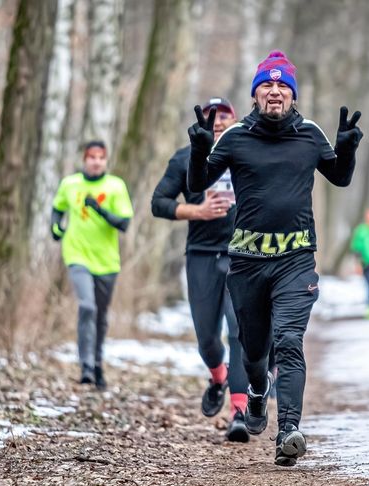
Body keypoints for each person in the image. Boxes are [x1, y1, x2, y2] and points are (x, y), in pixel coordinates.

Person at [187, 50, 363, 466]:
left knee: (288, 341)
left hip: (296, 260)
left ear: (293, 95)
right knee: (253, 352)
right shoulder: (234, 138)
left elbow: (339, 177)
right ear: (255, 95)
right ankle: (256, 393)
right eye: (267, 84)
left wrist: (346, 149)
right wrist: (199, 149)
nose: (275, 92)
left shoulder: (310, 134)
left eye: (283, 86)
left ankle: (289, 430)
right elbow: (197, 183)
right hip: (247, 262)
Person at [151, 97, 250, 443]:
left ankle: (239, 411)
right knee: (208, 337)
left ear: (235, 120)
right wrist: (197, 211)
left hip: (244, 255)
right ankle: (218, 376)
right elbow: (158, 203)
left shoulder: (247, 154)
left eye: (224, 115)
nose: (218, 121)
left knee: (239, 332)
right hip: (202, 254)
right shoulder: (184, 158)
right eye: (211, 116)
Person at [51, 140, 133, 390]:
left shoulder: (115, 186)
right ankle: (85, 365)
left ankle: (97, 363)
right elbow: (57, 209)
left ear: (106, 161)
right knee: (87, 307)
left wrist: (99, 210)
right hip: (77, 255)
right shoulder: (70, 184)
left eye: (101, 157)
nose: (96, 161)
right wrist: (55, 227)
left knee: (100, 315)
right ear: (84, 159)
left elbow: (124, 223)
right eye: (92, 157)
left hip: (107, 261)